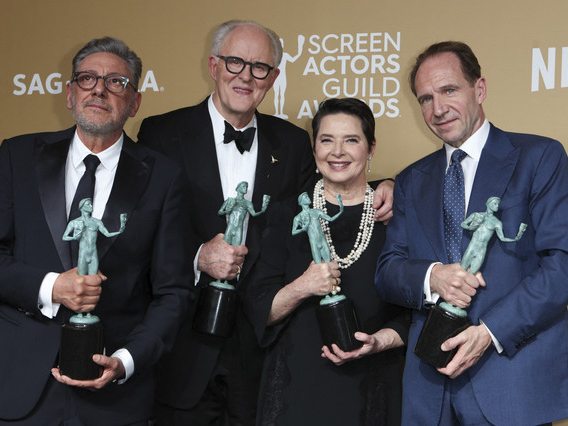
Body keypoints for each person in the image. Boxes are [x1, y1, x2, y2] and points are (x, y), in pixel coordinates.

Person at [137, 20, 395, 425]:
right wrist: (198, 256)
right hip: (185, 343)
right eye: (235, 62)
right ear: (213, 65)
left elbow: (338, 184)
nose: (245, 76)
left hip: (259, 352)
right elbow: (142, 229)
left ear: (273, 78)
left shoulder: (292, 142)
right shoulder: (161, 133)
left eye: (260, 67)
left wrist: (388, 185)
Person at [0, 37, 193, 425]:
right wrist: (52, 287)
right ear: (70, 94)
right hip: (17, 388)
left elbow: (174, 292)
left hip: (115, 396)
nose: (99, 89)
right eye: (87, 79)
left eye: (116, 82)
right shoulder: (17, 157)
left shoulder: (164, 177)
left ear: (135, 102)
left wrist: (125, 361)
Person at [374, 41, 568, 425]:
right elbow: (389, 271)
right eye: (425, 98)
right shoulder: (409, 180)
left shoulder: (539, 157)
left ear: (480, 89)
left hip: (513, 385)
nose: (437, 109)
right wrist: (431, 277)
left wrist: (489, 332)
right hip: (430, 392)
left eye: (449, 90)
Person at [245, 98, 409, 425]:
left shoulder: (395, 214)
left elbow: (417, 310)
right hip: (298, 391)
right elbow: (258, 309)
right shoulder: (285, 214)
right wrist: (302, 286)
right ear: (314, 146)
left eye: (351, 140)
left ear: (370, 147)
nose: (337, 151)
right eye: (326, 140)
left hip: (374, 390)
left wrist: (379, 341)